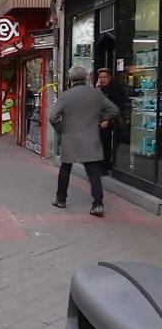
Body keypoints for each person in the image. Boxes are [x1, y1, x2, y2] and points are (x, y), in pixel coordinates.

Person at [50, 66, 119, 217]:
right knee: (94, 172)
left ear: (70, 79)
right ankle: (98, 204)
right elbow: (114, 110)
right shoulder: (96, 94)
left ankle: (61, 199)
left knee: (65, 168)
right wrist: (101, 119)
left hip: (70, 138)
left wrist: (61, 129)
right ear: (86, 78)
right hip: (91, 137)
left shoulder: (66, 96)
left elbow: (53, 117)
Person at [96, 68, 127, 174]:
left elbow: (115, 107)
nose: (102, 79)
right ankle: (103, 165)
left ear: (110, 78)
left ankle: (108, 166)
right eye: (100, 77)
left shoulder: (115, 89)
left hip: (113, 120)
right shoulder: (99, 89)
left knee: (110, 144)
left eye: (105, 77)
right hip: (101, 121)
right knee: (102, 143)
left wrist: (107, 120)